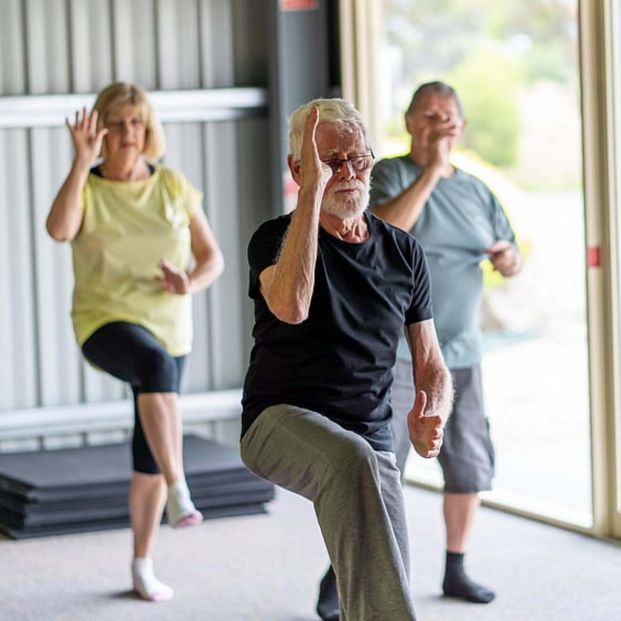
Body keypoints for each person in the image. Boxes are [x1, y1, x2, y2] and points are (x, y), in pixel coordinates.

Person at [240, 98, 453, 621]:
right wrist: (312, 191)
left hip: (369, 442)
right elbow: (291, 306)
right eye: (331, 162)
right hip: (278, 422)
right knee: (349, 459)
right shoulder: (274, 238)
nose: (350, 172)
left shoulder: (403, 251)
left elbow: (431, 363)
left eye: (358, 158)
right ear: (298, 168)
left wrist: (435, 411)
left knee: (386, 581)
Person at [46, 82, 224, 602]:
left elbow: (212, 257)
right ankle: (180, 485)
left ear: (148, 129)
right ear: (101, 129)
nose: (128, 133)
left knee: (148, 442)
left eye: (137, 123)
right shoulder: (90, 187)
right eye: (118, 123)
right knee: (152, 365)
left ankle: (143, 563)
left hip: (171, 325)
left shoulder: (171, 184)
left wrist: (188, 282)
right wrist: (81, 163)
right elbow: (59, 230)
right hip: (104, 321)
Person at [372, 81, 522, 604]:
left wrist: (508, 260)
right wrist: (432, 171)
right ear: (410, 121)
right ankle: (346, 574)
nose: (438, 123)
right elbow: (383, 237)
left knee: (466, 462)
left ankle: (455, 568)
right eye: (427, 114)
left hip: (459, 352)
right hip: (393, 355)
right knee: (378, 468)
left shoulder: (479, 191)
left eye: (447, 115)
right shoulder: (389, 175)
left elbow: (512, 254)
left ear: (460, 126)